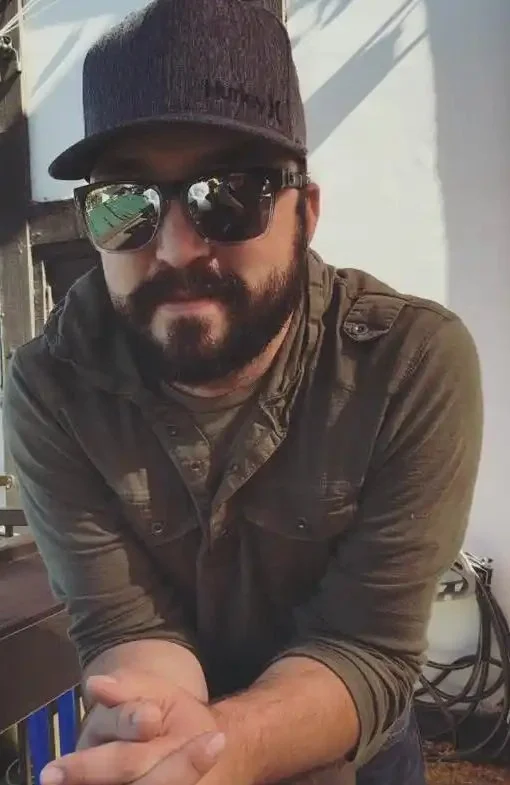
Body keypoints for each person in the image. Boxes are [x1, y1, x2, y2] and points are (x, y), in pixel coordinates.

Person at [4, 1, 483, 784]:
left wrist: (218, 751)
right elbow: (128, 623)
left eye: (228, 193)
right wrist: (170, 748)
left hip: (356, 747)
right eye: (127, 202)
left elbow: (364, 645)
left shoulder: (412, 363)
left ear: (307, 212)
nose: (175, 247)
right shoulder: (51, 391)